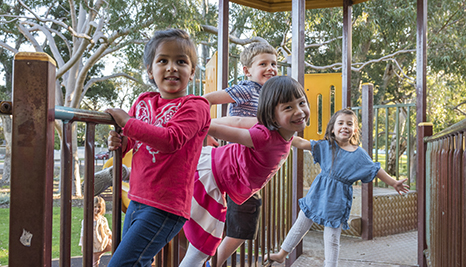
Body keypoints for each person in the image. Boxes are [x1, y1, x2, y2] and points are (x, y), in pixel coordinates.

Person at [178, 75, 310, 267]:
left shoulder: (283, 132)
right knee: (201, 248)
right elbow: (233, 131)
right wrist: (199, 124)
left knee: (200, 245)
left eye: (301, 103)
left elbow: (240, 121)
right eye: (288, 107)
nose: (299, 111)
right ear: (272, 115)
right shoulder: (264, 137)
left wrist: (315, 146)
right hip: (210, 178)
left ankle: (132, 175)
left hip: (212, 168)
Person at [105, 28, 211, 267]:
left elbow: (171, 139)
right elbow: (130, 141)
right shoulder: (143, 101)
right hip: (136, 199)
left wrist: (127, 123)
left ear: (192, 72)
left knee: (122, 265)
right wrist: (119, 143)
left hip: (166, 206)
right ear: (150, 71)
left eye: (181, 62)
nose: (172, 67)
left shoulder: (196, 106)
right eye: (163, 60)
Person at [264, 108, 410, 267]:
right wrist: (278, 134)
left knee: (332, 238)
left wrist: (393, 182)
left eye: (349, 124)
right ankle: (281, 254)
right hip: (317, 194)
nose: (344, 126)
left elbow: (375, 169)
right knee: (300, 224)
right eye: (340, 123)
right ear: (332, 129)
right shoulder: (326, 146)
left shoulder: (359, 154)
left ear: (354, 130)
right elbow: (300, 142)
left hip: (337, 201)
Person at [203, 41, 278, 267]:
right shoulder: (246, 88)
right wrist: (205, 131)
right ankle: (210, 263)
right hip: (235, 163)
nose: (271, 68)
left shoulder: (270, 94)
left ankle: (210, 262)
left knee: (242, 221)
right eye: (263, 64)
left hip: (248, 163)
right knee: (243, 219)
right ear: (247, 70)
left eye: (274, 63)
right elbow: (206, 99)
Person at [79, 196, 112, 267]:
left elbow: (107, 230)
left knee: (116, 248)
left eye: (99, 207)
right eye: (95, 207)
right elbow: (83, 233)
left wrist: (111, 237)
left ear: (102, 207)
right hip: (94, 244)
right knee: (95, 262)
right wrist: (83, 245)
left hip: (104, 242)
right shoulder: (87, 220)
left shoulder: (103, 219)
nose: (97, 209)